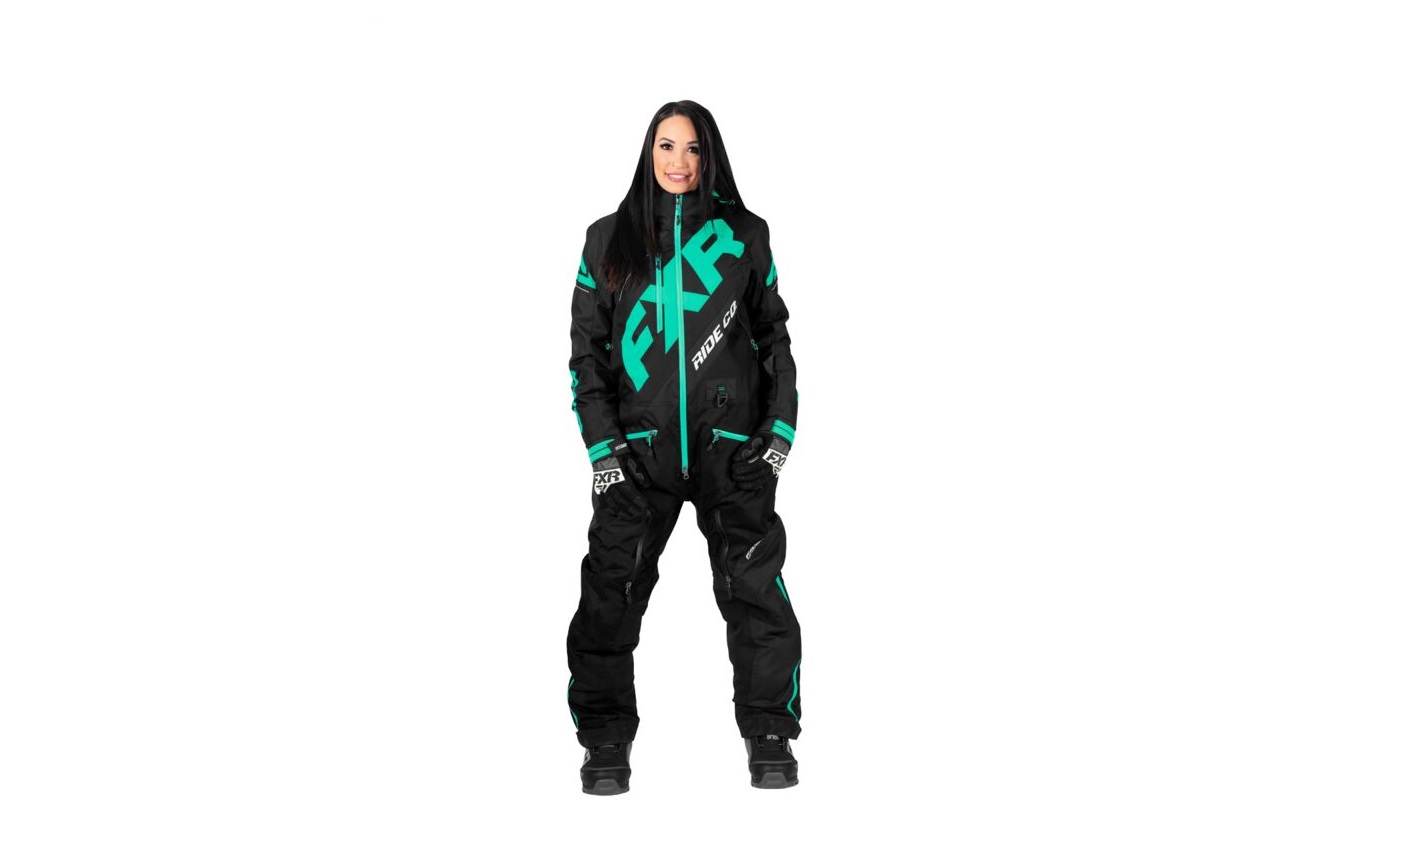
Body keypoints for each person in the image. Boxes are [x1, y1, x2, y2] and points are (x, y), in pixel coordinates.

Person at [565, 100, 803, 794]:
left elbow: (775, 340)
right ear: (648, 152)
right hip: (637, 458)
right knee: (609, 595)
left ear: (710, 156)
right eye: (666, 146)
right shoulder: (607, 239)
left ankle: (769, 734)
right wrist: (604, 451)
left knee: (756, 596)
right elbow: (587, 357)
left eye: (693, 148)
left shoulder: (744, 235)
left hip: (733, 452)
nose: (678, 161)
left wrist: (778, 434)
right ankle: (604, 741)